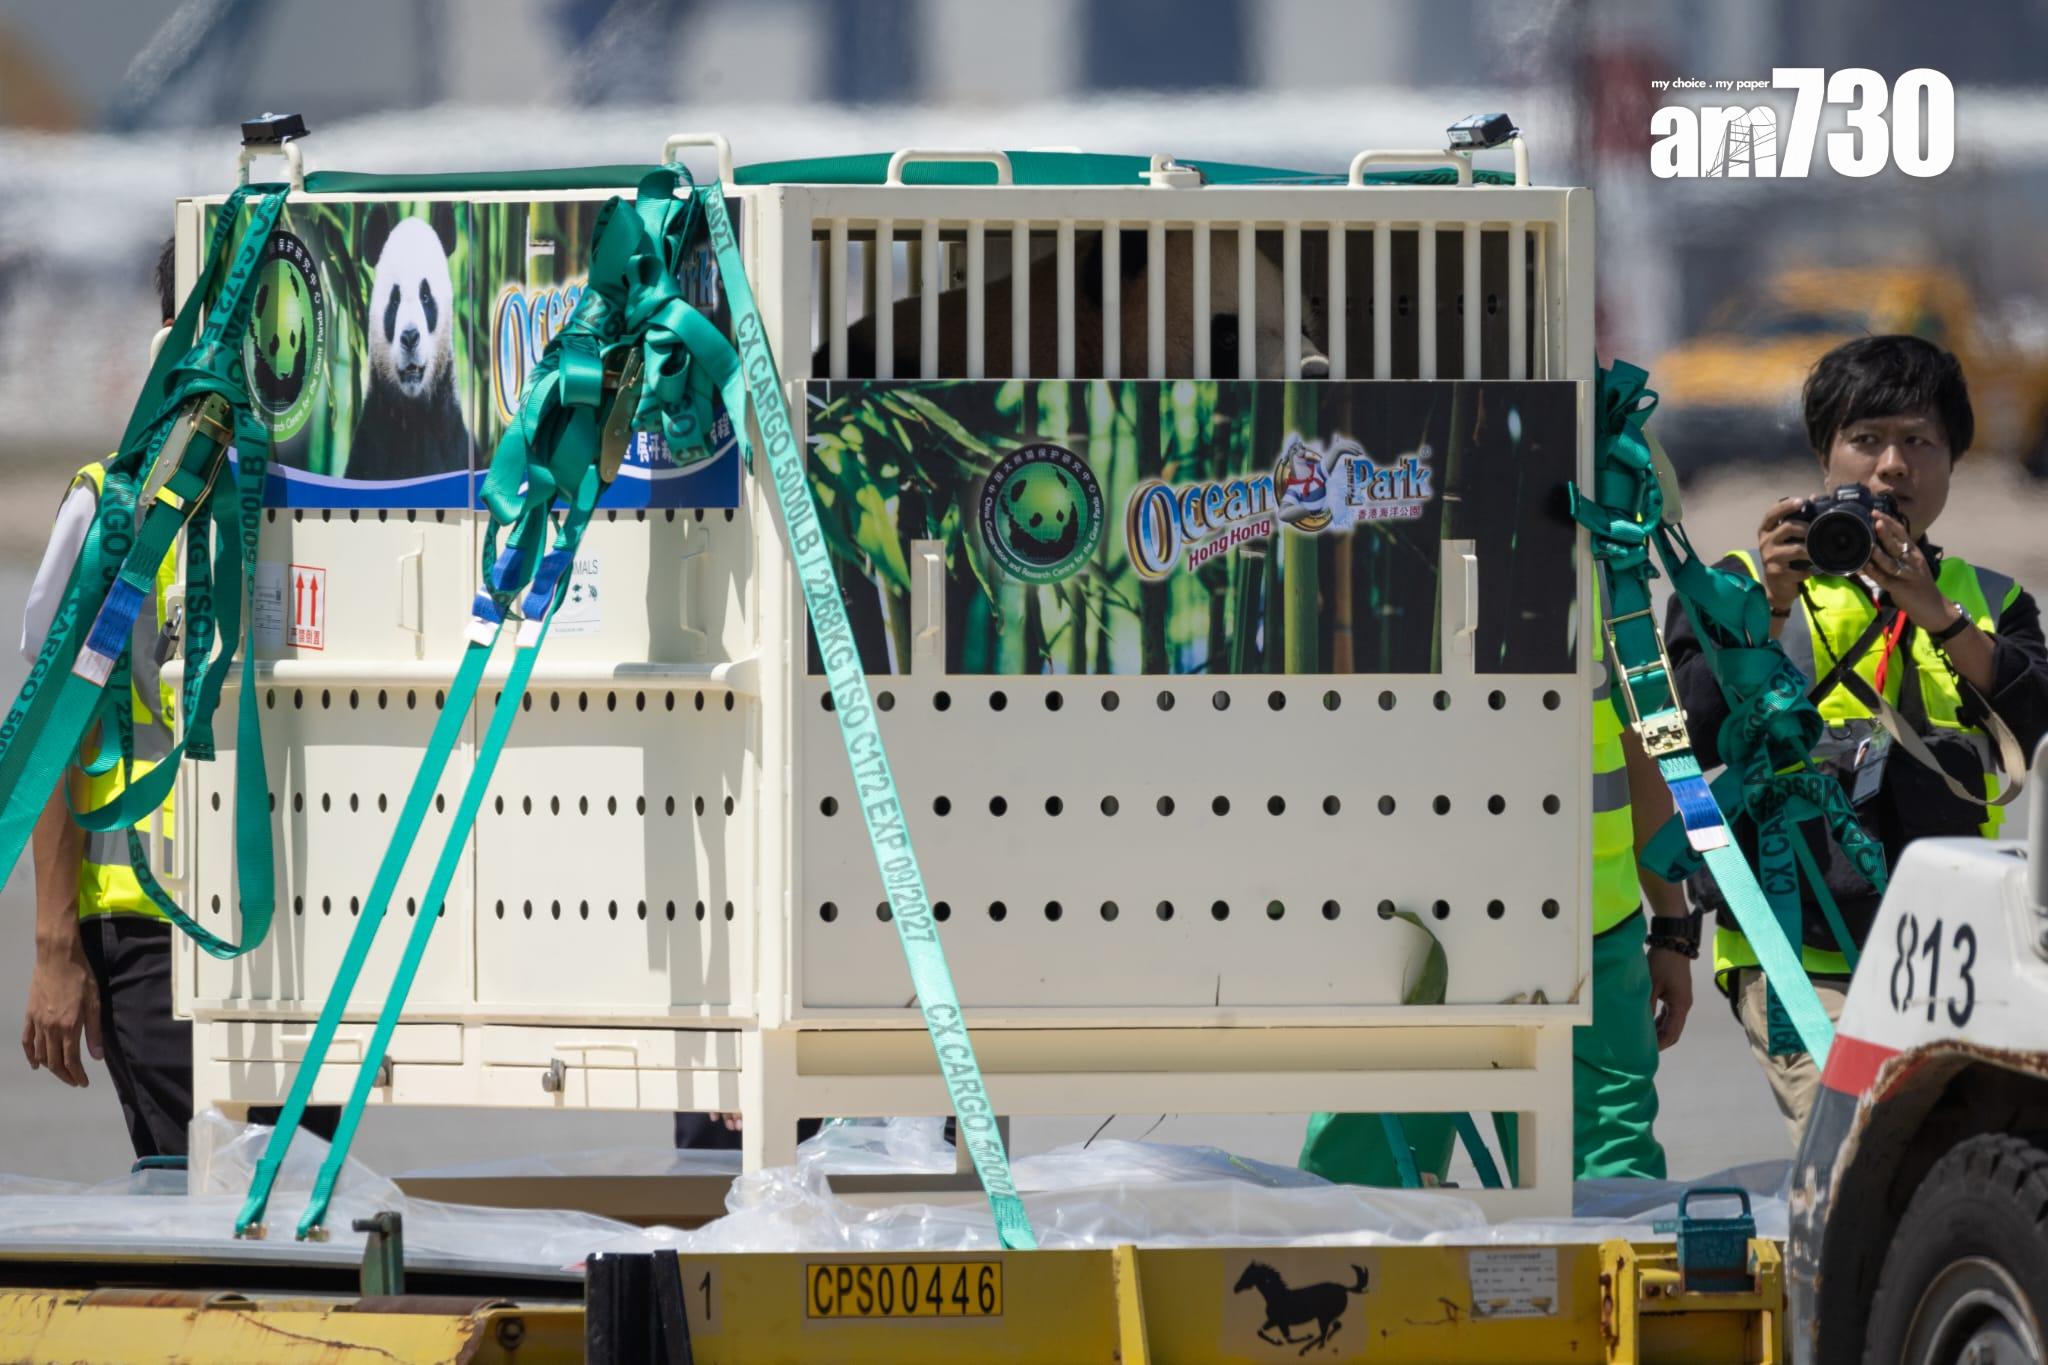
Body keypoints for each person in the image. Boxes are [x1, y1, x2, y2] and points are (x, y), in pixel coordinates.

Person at [1666, 335, 2048, 1136]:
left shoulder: (1987, 600)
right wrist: (1769, 602)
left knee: (1946, 1161)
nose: (1892, 466)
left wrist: (1935, 614)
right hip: (1791, 942)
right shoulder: (1737, 582)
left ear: (1954, 459)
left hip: (1949, 952)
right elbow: (1694, 730)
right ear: (1823, 452)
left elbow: (2035, 721)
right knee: (1857, 1143)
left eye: (1919, 442)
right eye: (1867, 439)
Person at [20, 239, 336, 1162]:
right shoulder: (115, 508)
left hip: (299, 927)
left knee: (300, 1192)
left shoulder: (315, 504)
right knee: (196, 1185)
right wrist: (53, 943)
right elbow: (54, 736)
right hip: (150, 927)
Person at [1299, 601, 1696, 1186]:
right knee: (1603, 1207)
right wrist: (1671, 921)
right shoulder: (1602, 549)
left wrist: (1672, 921)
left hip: (1422, 940)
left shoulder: (1370, 546)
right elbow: (1657, 735)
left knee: (1366, 1211)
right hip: (1572, 940)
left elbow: (1656, 734)